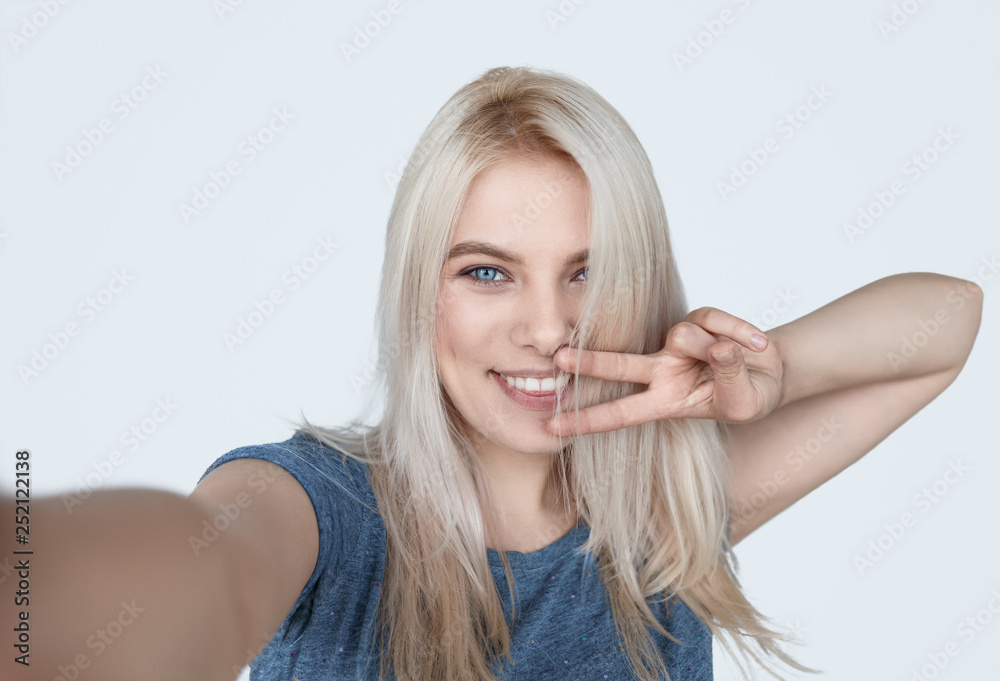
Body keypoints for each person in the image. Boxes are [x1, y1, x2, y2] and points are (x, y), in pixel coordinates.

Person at [1, 66, 983, 681]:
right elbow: (195, 566)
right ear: (414, 292)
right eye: (487, 273)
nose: (549, 329)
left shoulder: (666, 516)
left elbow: (947, 320)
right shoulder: (320, 508)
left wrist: (772, 376)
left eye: (588, 272)